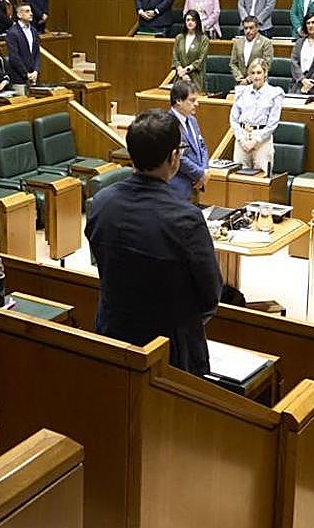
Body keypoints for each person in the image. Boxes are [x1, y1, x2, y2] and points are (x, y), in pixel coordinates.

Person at [84, 109, 221, 375]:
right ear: (173, 157)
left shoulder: (100, 203)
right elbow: (210, 295)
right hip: (169, 351)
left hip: (112, 335)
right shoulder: (186, 218)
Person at [229, 58, 283, 171]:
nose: (256, 76)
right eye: (252, 73)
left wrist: (255, 141)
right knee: (238, 175)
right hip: (242, 138)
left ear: (265, 73)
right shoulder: (242, 92)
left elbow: (273, 123)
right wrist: (241, 139)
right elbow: (233, 119)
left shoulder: (275, 93)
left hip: (262, 139)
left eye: (259, 72)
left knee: (261, 176)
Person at [168, 80, 208, 202]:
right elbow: (178, 157)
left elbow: (202, 146)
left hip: (196, 185)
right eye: (192, 100)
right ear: (178, 101)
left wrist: (205, 171)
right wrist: (200, 174)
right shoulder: (168, 123)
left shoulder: (192, 120)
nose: (197, 104)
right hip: (178, 188)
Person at [5, 2, 40, 96]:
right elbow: (14, 57)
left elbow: (37, 53)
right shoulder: (12, 32)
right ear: (19, 15)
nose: (31, 13)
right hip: (19, 78)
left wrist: (36, 70)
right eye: (27, 11)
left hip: (34, 77)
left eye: (31, 11)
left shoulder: (33, 31)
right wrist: (26, 74)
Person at [228, 16, 273, 85]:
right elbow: (233, 63)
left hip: (259, 82)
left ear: (257, 28)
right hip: (241, 83)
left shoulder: (266, 42)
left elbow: (266, 65)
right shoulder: (238, 42)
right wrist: (240, 78)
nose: (248, 31)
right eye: (246, 28)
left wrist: (249, 79)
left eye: (251, 28)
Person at [171, 10, 208, 93]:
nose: (190, 22)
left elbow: (201, 60)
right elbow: (175, 58)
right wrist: (181, 72)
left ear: (197, 22)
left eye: (193, 20)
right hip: (180, 77)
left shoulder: (203, 39)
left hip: (195, 78)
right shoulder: (179, 38)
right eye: (188, 20)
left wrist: (185, 70)